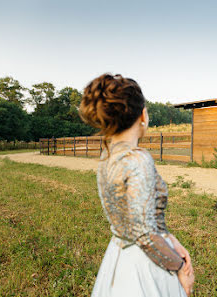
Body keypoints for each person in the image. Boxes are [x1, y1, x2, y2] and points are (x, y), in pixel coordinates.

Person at [79, 74, 194, 297]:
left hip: (117, 255)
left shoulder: (107, 156)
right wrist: (180, 268)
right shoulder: (138, 159)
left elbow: (139, 218)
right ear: (142, 115)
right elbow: (144, 233)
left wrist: (172, 241)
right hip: (143, 266)